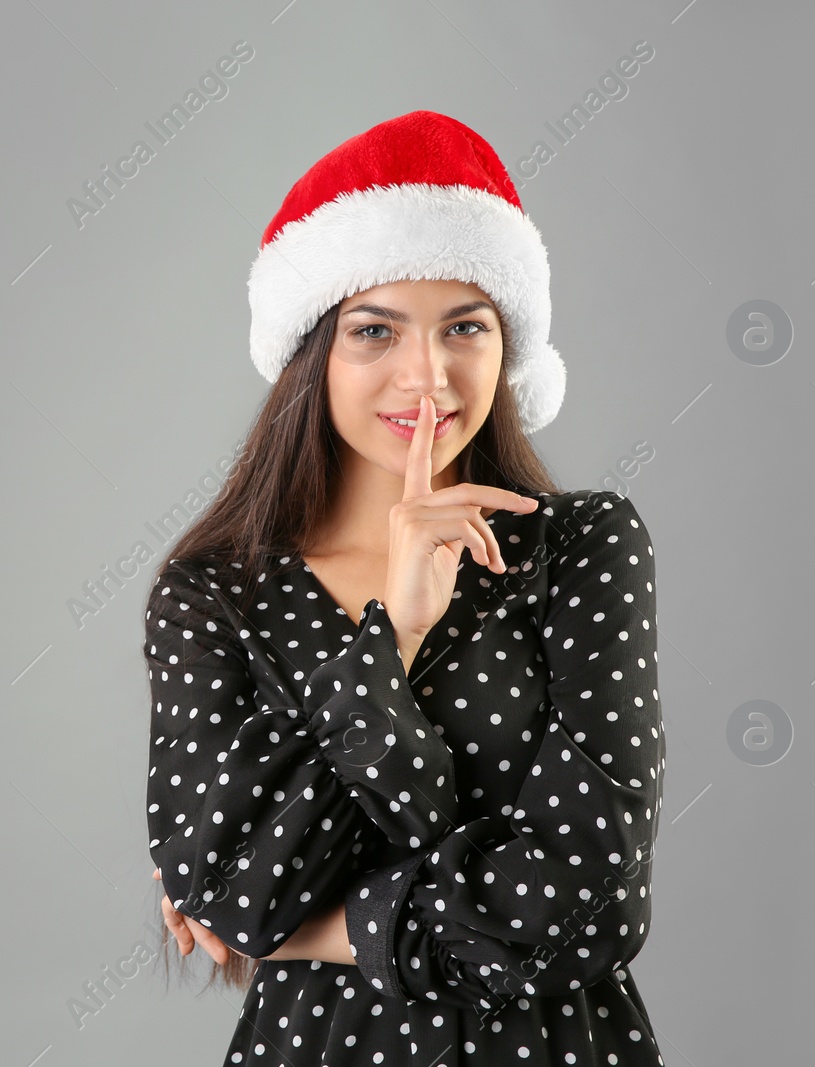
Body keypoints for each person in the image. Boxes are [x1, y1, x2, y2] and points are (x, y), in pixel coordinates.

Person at [142, 111, 665, 1065]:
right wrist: (401, 628)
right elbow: (223, 887)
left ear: (509, 346)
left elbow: (592, 901)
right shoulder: (216, 593)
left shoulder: (582, 549)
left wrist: (317, 928)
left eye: (465, 325)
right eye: (374, 330)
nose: (427, 376)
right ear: (313, 355)